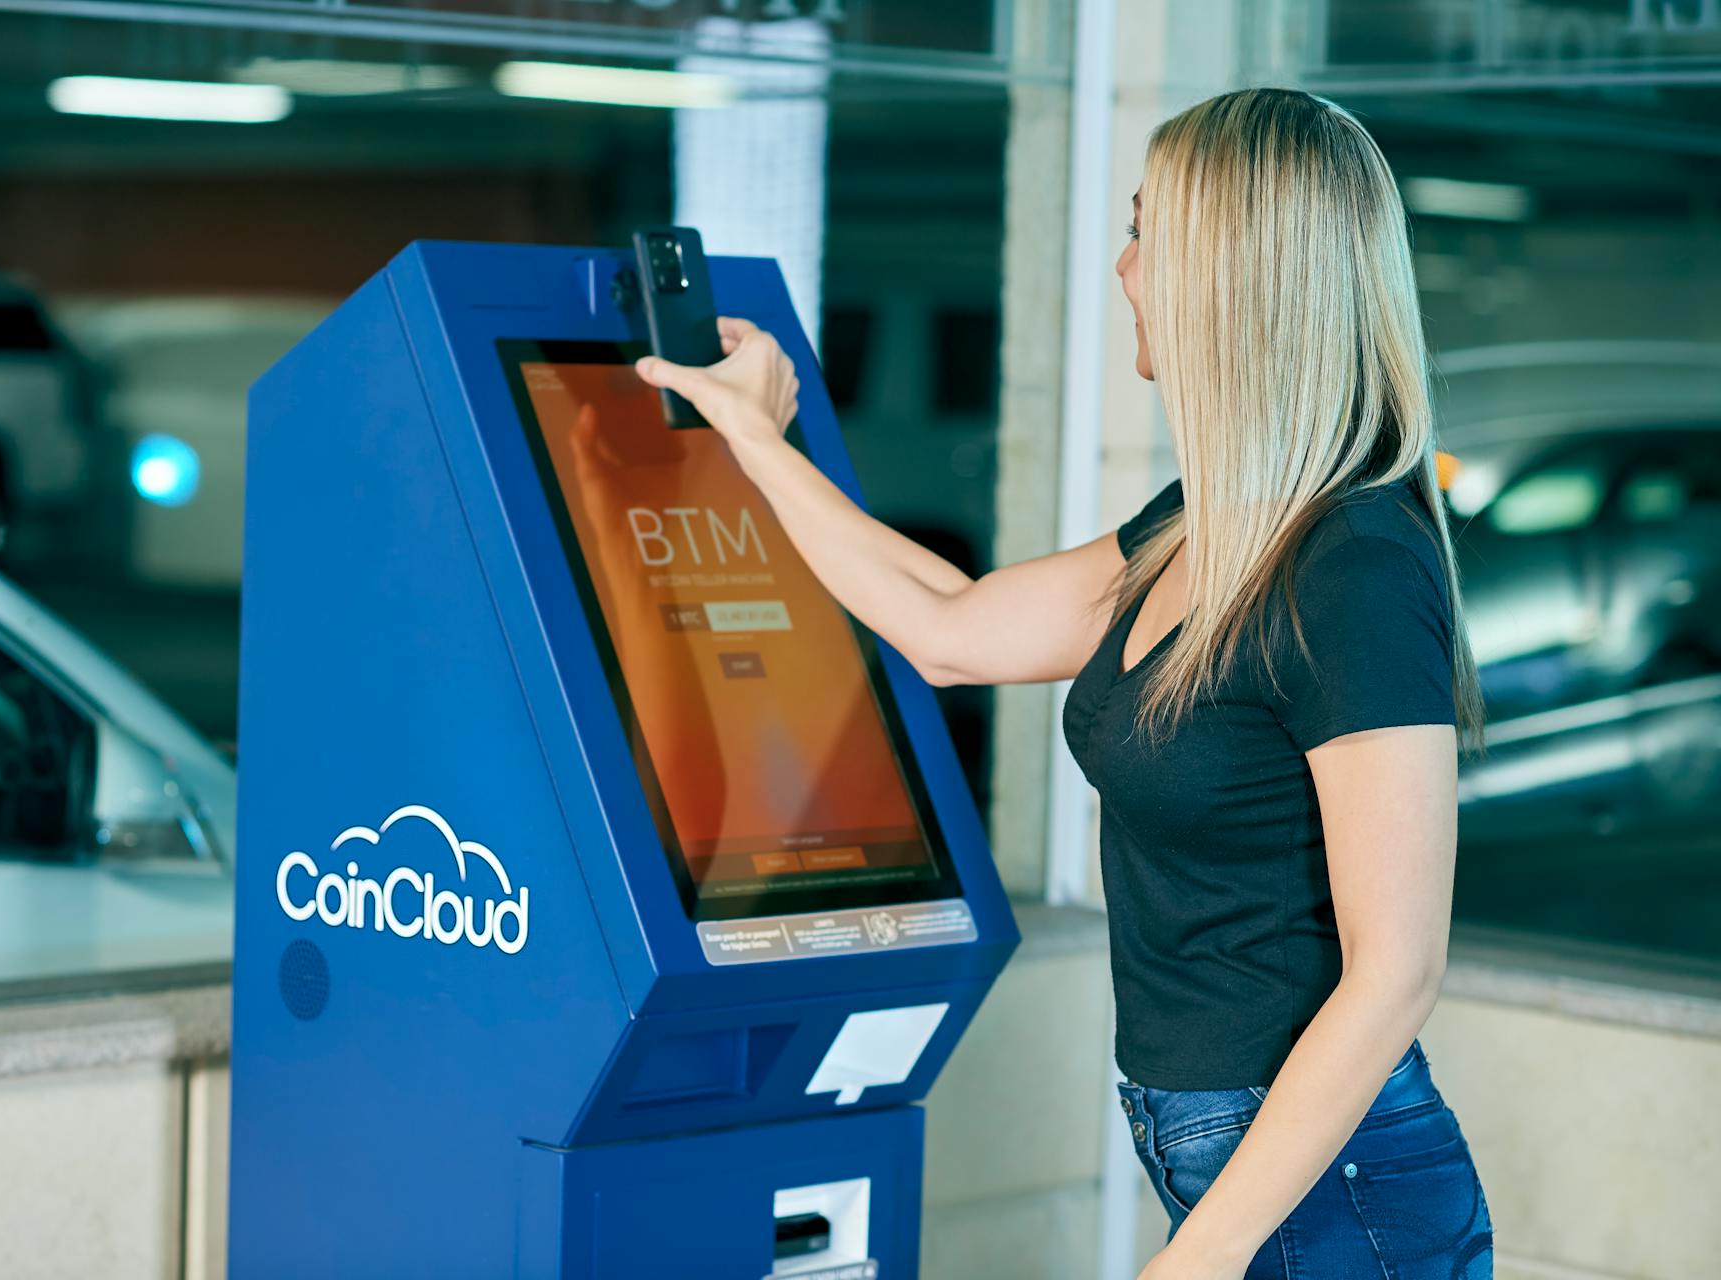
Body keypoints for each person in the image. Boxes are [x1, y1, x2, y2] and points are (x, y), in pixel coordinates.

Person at [634, 86, 1493, 1279]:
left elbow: (1396, 969)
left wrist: (1198, 1259)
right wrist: (757, 440)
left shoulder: (1352, 564)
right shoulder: (1213, 526)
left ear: (1228, 274)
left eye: (1148, 233)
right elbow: (947, 627)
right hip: (1239, 1158)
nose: (1126, 268)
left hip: (1341, 1191)